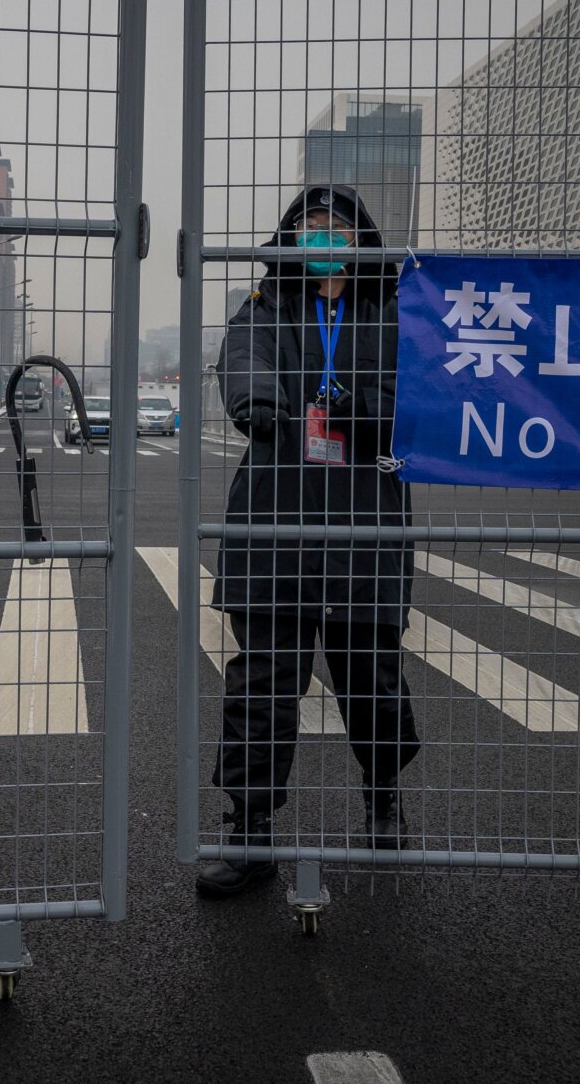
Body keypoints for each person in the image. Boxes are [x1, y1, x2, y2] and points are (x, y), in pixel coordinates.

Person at [200, 183, 421, 898]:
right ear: (289, 242)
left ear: (362, 240)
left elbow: (418, 390)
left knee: (371, 677)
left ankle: (383, 797)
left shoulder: (393, 311)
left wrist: (363, 410)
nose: (324, 240)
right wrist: (257, 401)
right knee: (263, 682)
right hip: (276, 520)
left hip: (364, 520)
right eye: (309, 229)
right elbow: (242, 356)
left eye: (337, 229)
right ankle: (250, 827)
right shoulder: (268, 305)